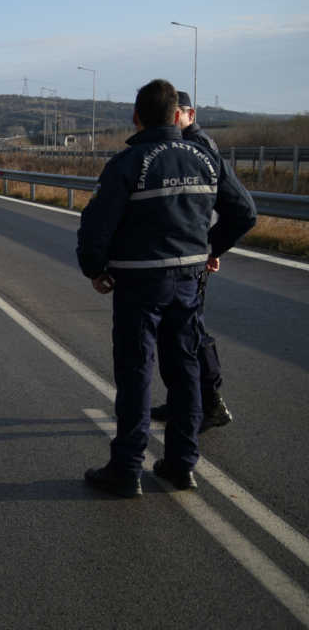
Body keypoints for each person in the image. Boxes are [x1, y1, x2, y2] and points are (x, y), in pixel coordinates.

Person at [77, 79, 255, 497]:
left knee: (136, 372)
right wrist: (210, 248)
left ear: (137, 117)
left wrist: (94, 269)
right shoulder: (205, 157)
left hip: (139, 283)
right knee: (185, 370)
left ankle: (125, 470)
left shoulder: (130, 162)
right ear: (178, 115)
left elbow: (96, 226)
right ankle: (180, 465)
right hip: (189, 282)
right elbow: (245, 212)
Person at [150, 91, 242, 431]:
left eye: (178, 113)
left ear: (189, 114)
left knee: (190, 332)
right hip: (188, 250)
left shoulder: (199, 146)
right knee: (179, 332)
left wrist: (211, 249)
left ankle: (211, 403)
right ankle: (181, 402)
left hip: (191, 254)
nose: (172, 119)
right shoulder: (184, 144)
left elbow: (239, 209)